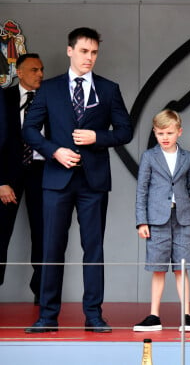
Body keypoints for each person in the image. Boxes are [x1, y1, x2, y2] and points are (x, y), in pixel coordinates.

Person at [22, 27, 133, 333]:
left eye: (94, 53)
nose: (89, 58)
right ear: (70, 50)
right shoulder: (50, 88)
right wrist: (54, 150)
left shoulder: (109, 89)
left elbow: (126, 130)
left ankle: (94, 316)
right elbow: (29, 129)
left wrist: (97, 136)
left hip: (93, 182)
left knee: (93, 249)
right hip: (56, 178)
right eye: (84, 51)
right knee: (51, 248)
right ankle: (47, 316)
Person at [133, 109, 190, 332]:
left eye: (169, 132)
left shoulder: (188, 158)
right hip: (156, 220)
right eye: (159, 133)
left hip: (182, 218)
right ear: (154, 133)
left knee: (181, 268)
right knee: (157, 268)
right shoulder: (149, 157)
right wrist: (142, 221)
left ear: (179, 132)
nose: (164, 137)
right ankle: (153, 315)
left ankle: (186, 316)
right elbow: (141, 191)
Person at [0, 53, 45, 304]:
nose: (39, 74)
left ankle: (41, 293)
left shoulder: (49, 99)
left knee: (43, 233)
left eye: (41, 70)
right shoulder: (3, 97)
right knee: (0, 233)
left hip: (42, 173)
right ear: (19, 72)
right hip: (9, 175)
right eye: (34, 70)